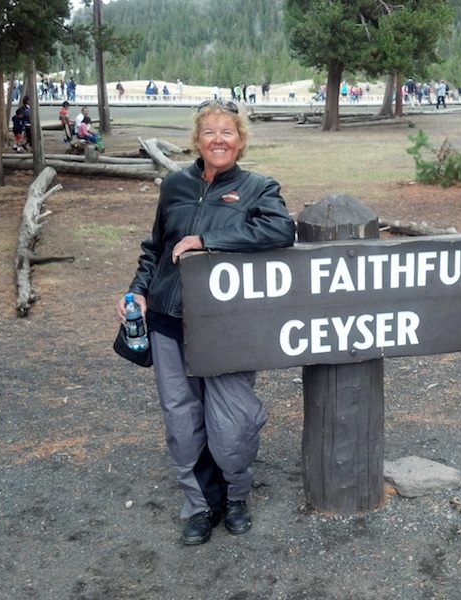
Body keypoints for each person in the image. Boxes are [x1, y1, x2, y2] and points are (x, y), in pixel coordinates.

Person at [115, 100, 296, 546]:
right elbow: (156, 247)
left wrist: (209, 240)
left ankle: (235, 496)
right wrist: (139, 288)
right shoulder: (175, 183)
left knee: (232, 419)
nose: (219, 139)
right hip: (167, 319)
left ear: (240, 140)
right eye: (210, 131)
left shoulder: (258, 187)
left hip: (226, 325)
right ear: (197, 139)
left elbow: (280, 232)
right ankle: (199, 504)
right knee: (181, 417)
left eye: (228, 132)